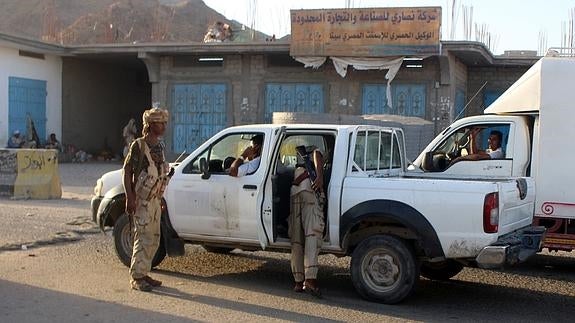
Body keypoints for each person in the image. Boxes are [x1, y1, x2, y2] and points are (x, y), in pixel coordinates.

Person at [123, 107, 170, 292]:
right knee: (142, 238)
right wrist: (129, 197)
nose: (164, 126)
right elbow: (127, 172)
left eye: (165, 122)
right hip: (141, 201)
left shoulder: (159, 145)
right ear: (150, 125)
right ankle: (136, 277)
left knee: (154, 239)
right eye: (160, 123)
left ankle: (144, 272)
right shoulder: (139, 146)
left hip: (155, 200)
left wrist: (160, 199)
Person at [289, 145, 325, 297]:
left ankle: (298, 281)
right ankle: (310, 278)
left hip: (295, 190)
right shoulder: (316, 151)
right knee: (312, 234)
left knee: (296, 238)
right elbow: (317, 155)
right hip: (309, 190)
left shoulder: (299, 161)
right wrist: (320, 176)